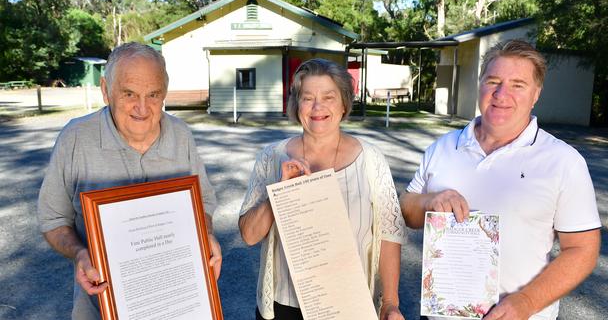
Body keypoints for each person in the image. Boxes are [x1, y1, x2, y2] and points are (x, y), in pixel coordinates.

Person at [401, 40, 601, 320]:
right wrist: (428, 201)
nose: (501, 94)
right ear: (481, 84)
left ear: (536, 94)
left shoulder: (562, 161)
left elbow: (582, 249)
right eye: (493, 81)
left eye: (518, 84)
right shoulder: (442, 148)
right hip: (442, 314)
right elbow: (407, 211)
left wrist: (527, 301)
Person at [37, 42, 222, 319]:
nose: (142, 108)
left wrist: (205, 234)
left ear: (164, 94)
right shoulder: (75, 139)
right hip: (100, 307)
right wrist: (79, 253)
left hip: (175, 302)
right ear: (105, 91)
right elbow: (53, 220)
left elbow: (203, 203)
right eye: (129, 94)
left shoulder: (181, 135)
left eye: (153, 94)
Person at [239, 58, 407, 320]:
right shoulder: (271, 157)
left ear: (343, 104)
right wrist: (278, 195)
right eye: (308, 98)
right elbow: (249, 236)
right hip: (286, 306)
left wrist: (390, 302)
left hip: (349, 304)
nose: (318, 107)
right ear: (297, 105)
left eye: (329, 97)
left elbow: (389, 236)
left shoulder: (371, 160)